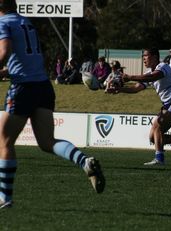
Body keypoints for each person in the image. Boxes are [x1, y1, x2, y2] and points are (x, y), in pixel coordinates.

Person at [0, 0, 105, 209]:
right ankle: (84, 161)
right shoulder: (25, 22)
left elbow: (4, 51)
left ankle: (5, 198)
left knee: (4, 142)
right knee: (47, 142)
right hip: (43, 87)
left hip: (23, 89)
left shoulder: (3, 23)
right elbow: (25, 58)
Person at [121, 48, 171, 166]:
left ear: (154, 57)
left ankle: (160, 159)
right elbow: (136, 88)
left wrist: (130, 76)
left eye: (146, 56)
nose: (143, 59)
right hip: (168, 105)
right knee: (153, 138)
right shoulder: (149, 73)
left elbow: (153, 77)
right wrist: (119, 89)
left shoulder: (163, 66)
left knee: (158, 126)